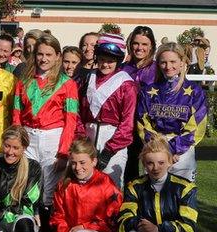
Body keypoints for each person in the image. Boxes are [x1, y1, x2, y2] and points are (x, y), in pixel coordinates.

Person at [12, 34, 78, 217]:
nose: (44, 59)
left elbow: (71, 120)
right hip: (27, 138)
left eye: (49, 55)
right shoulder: (23, 80)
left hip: (53, 139)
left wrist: (64, 152)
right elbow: (16, 114)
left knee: (49, 192)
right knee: (26, 187)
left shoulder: (68, 84)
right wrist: (18, 142)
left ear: (58, 56)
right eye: (40, 54)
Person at [48, 138, 122, 232]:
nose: (77, 167)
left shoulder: (106, 183)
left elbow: (112, 220)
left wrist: (84, 227)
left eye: (82, 162)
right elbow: (57, 217)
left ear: (94, 161)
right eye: (73, 162)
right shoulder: (64, 184)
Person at [137, 42, 207, 181]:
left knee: (183, 197)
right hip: (154, 150)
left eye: (173, 61)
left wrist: (174, 149)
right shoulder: (147, 91)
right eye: (163, 62)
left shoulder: (195, 92)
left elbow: (197, 126)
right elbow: (142, 123)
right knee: (154, 198)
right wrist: (161, 149)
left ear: (182, 62)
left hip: (182, 153)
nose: (168, 67)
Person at [75, 34, 137, 188]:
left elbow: (127, 123)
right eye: (102, 59)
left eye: (111, 61)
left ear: (118, 61)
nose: (105, 64)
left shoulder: (126, 84)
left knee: (111, 185)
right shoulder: (86, 78)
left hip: (113, 139)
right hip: (87, 137)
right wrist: (81, 138)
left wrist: (110, 150)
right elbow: (76, 111)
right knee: (85, 185)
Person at [122, 26, 158, 184]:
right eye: (136, 43)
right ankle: (131, 204)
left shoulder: (158, 69)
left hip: (150, 126)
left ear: (151, 46)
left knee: (152, 167)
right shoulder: (122, 69)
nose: (139, 48)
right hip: (127, 125)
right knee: (129, 168)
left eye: (144, 44)